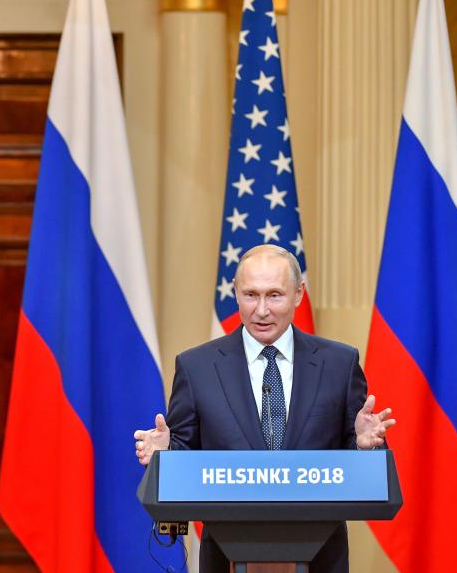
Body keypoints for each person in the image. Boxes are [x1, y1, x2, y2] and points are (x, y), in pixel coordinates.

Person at [133, 244, 395, 573]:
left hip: (321, 558)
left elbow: (352, 468)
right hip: (226, 556)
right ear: (235, 293)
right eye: (251, 295)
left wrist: (361, 445)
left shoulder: (339, 364)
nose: (261, 310)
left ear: (299, 294)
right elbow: (187, 459)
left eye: (274, 295)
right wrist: (166, 453)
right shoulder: (197, 367)